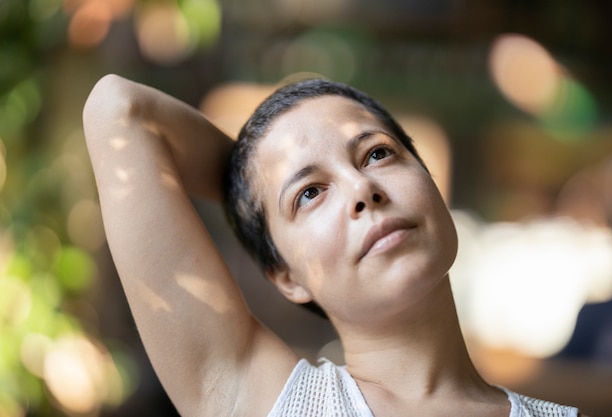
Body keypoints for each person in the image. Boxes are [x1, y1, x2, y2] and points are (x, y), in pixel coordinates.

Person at [83, 74, 585, 417]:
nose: (362, 189)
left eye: (378, 154)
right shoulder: (275, 403)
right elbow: (119, 109)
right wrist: (248, 188)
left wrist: (271, 197)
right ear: (286, 275)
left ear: (431, 183)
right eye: (310, 193)